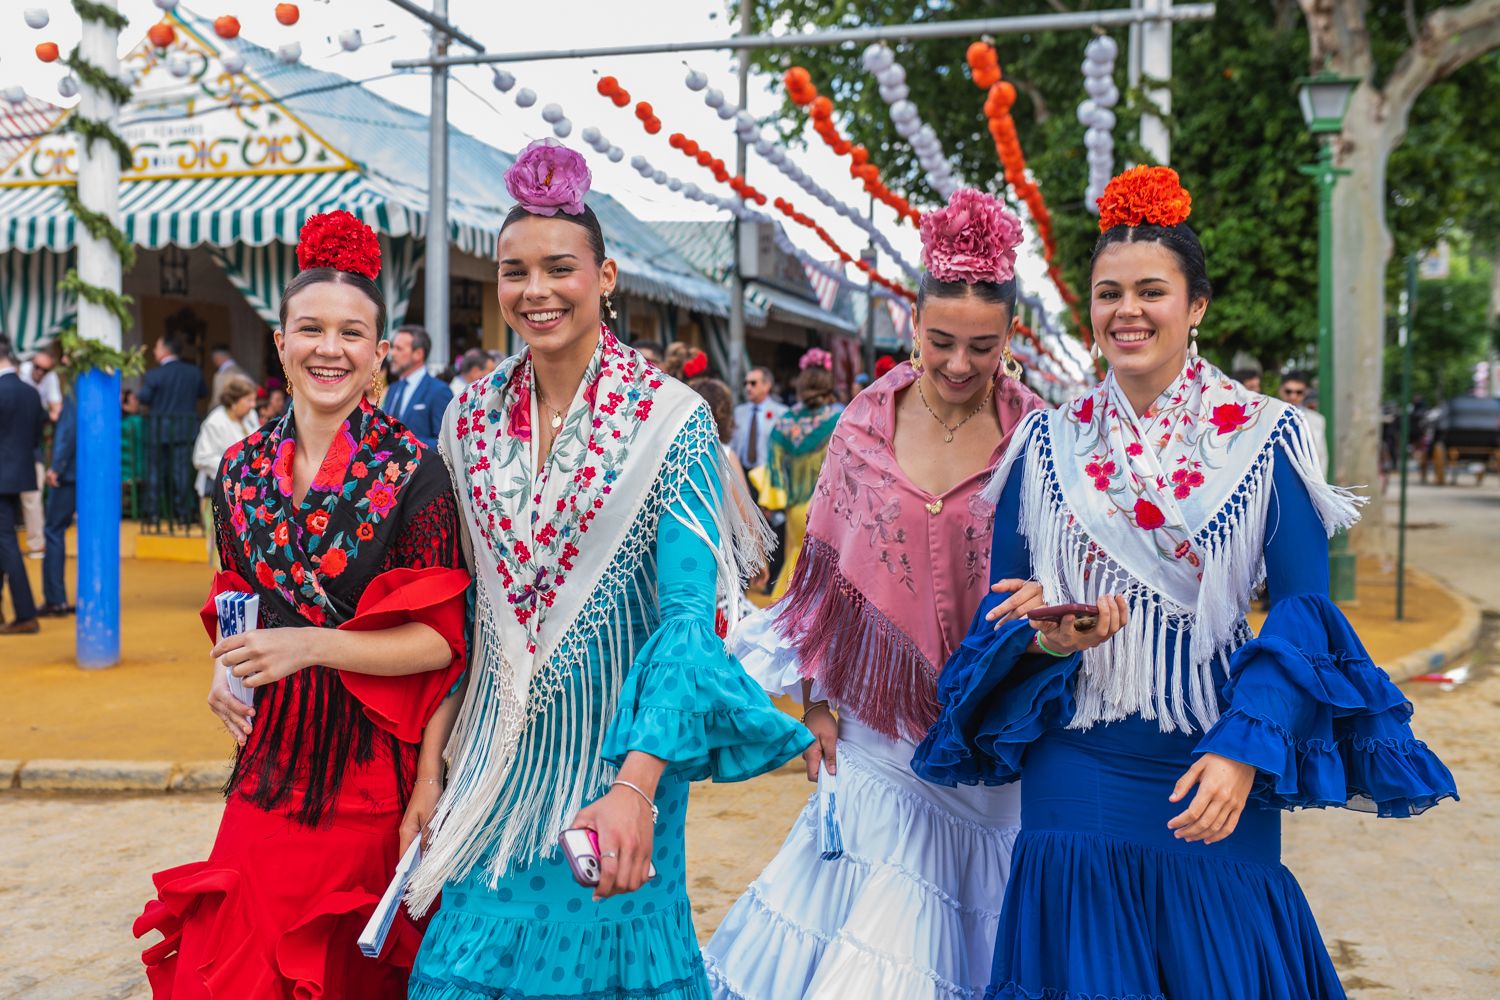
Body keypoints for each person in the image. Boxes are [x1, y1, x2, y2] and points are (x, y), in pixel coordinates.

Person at [911, 166, 1457, 1000]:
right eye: (1108, 293)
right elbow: (1005, 605)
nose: (1127, 311)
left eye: (1151, 291)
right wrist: (1050, 639)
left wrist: (1243, 750)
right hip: (1078, 753)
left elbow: (1304, 612)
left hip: (1213, 748)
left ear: (1196, 305)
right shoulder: (1045, 443)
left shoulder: (1267, 437)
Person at [404, 140, 809, 1000]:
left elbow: (687, 624)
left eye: (560, 268)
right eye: (515, 272)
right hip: (489, 774)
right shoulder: (465, 421)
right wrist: (431, 773)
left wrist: (635, 787)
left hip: (619, 771)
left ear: (606, 276)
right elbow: (461, 617)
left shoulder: (672, 422)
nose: (536, 291)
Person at [705, 189, 1046, 999]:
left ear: (1010, 336)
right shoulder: (863, 422)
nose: (958, 364)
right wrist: (817, 705)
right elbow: (825, 580)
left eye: (982, 346)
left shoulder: (1038, 432)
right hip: (873, 729)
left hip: (988, 732)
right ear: (912, 323)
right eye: (941, 342)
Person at [134, 211, 472, 998]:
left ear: (380, 352)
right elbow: (236, 595)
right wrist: (227, 669)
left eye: (353, 333)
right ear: (280, 342)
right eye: (312, 329)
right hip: (268, 766)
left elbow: (441, 640)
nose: (331, 348)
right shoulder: (240, 469)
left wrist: (311, 645)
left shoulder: (416, 472)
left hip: (369, 774)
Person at [760, 348, 843, 600]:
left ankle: (785, 610)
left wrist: (776, 498)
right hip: (830, 507)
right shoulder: (840, 421)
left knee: (795, 560)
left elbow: (773, 466)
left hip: (795, 508)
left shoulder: (784, 423)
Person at [138, 331, 207, 526]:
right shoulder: (193, 372)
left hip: (158, 431)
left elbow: (144, 398)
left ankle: (153, 514)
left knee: (155, 474)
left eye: (156, 347)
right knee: (181, 474)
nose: (154, 351)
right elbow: (203, 392)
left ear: (164, 349)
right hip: (184, 430)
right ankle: (183, 515)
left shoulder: (154, 374)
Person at [0, 333, 44, 634]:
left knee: (6, 543)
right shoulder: (30, 392)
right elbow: (36, 436)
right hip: (19, 474)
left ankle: (26, 613)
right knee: (3, 539)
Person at [191, 377, 260, 567]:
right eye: (249, 400)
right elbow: (201, 457)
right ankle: (222, 579)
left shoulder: (250, 417)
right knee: (220, 540)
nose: (253, 405)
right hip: (217, 490)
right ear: (234, 401)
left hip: (245, 491)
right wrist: (233, 467)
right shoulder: (215, 422)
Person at [731, 367, 788, 593]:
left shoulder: (781, 413)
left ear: (767, 385)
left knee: (772, 527)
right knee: (742, 526)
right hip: (743, 474)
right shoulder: (739, 412)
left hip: (768, 476)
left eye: (753, 383)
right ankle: (743, 578)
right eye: (746, 383)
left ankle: (772, 582)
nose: (748, 387)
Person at [18, 342, 62, 558]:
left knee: (33, 496)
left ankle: (36, 544)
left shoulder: (50, 380)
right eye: (37, 367)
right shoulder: (21, 372)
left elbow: (56, 411)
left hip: (32, 442)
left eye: (44, 370)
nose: (39, 372)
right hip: (15, 438)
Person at [39, 382, 76, 617]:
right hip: (87, 474)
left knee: (53, 531)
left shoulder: (75, 393)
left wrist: (57, 467)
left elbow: (67, 434)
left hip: (69, 475)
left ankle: (55, 599)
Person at [384, 324, 454, 449]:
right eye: (392, 347)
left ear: (418, 354)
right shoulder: (393, 388)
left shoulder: (439, 391)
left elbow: (445, 444)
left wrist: (403, 441)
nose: (392, 353)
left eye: (399, 349)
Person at [1279, 369, 1328, 476]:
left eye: (1299, 392)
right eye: (1288, 391)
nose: (1293, 396)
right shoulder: (1272, 416)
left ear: (1305, 392)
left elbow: (1321, 456)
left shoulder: (1317, 420)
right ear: (1280, 390)